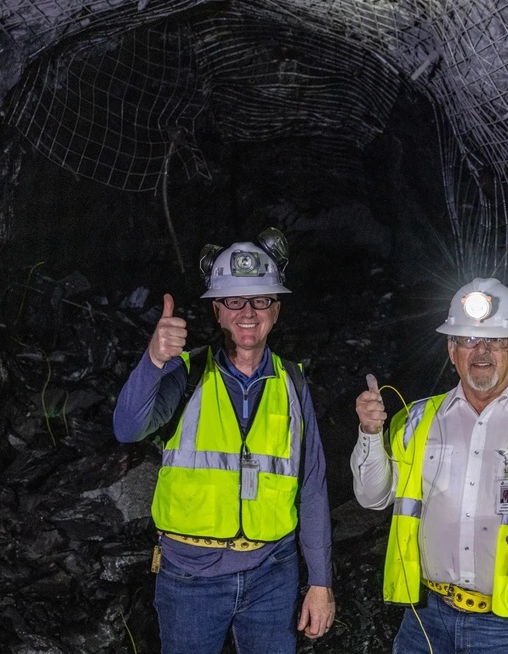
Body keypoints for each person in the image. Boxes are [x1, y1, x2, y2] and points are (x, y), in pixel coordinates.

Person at [351, 277, 508, 654]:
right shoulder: (417, 419)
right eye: (469, 339)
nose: (482, 351)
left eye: (497, 341)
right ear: (451, 349)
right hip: (426, 620)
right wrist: (370, 433)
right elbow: (372, 498)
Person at [113, 228, 335, 654]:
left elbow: (312, 486)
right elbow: (127, 427)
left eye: (261, 300)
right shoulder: (186, 372)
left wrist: (321, 582)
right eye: (234, 300)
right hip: (190, 576)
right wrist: (154, 359)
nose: (247, 313)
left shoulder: (293, 383)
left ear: (276, 308)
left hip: (273, 571)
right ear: (217, 310)